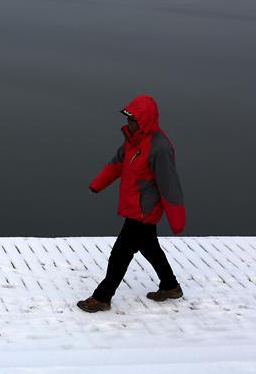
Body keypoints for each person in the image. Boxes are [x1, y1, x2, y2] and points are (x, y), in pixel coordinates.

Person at [78, 94, 186, 313]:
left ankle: (102, 297)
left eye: (133, 119)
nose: (128, 123)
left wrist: (177, 220)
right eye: (128, 118)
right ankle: (170, 285)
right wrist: (97, 184)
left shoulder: (160, 147)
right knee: (149, 246)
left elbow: (169, 184)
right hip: (134, 206)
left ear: (145, 119)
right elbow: (117, 163)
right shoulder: (132, 140)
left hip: (144, 211)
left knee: (121, 252)